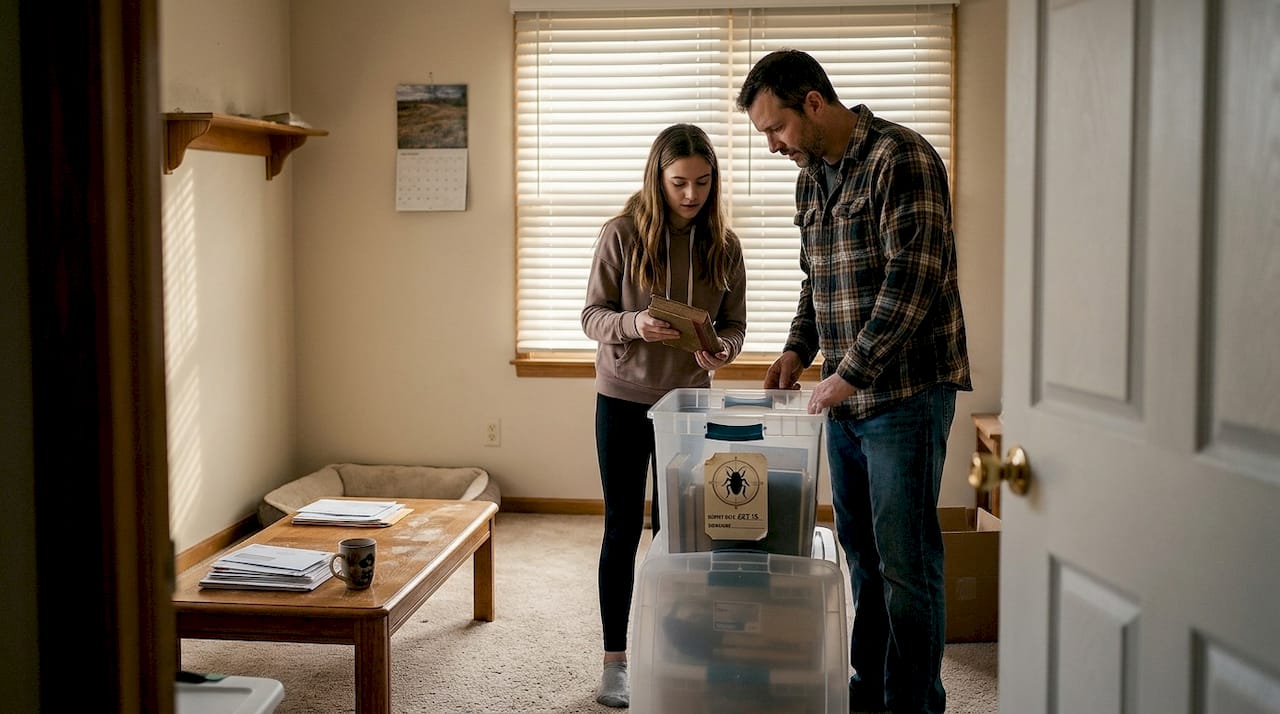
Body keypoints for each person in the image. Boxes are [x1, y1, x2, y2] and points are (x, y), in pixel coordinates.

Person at [736, 50, 971, 714]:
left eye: (775, 128)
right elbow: (817, 283)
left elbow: (912, 285)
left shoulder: (902, 159)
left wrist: (848, 374)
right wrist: (796, 349)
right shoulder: (811, 179)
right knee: (862, 557)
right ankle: (868, 694)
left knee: (905, 564)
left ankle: (914, 704)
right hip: (843, 401)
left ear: (813, 103)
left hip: (906, 396)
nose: (773, 146)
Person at [580, 123, 748, 708]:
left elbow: (735, 326)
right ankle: (615, 662)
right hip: (623, 399)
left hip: (688, 404)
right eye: (679, 182)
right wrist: (634, 324)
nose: (691, 194)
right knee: (621, 528)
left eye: (702, 182)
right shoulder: (621, 234)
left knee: (679, 532)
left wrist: (723, 350)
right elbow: (592, 316)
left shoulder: (724, 245)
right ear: (658, 178)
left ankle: (673, 651)